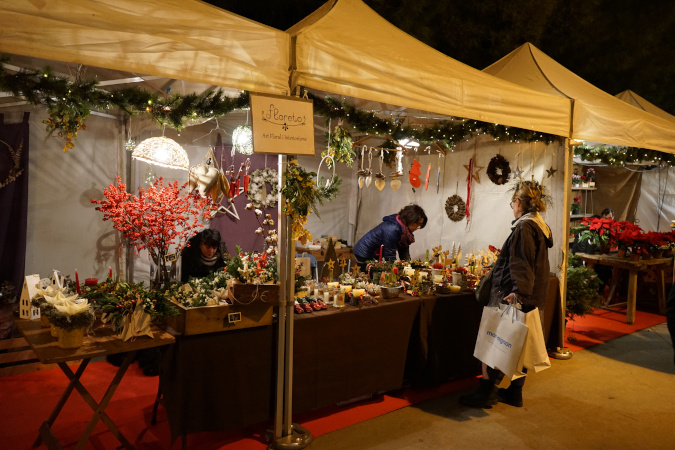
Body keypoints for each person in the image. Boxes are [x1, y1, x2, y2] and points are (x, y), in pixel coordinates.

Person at [460, 180, 553, 409]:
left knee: (494, 343)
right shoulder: (539, 225)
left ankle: (486, 394)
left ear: (519, 202)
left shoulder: (524, 227)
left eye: (512, 202)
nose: (512, 206)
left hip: (512, 295)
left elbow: (521, 264)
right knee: (517, 344)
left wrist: (517, 293)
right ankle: (514, 393)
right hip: (531, 297)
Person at [353, 204, 427, 271]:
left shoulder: (404, 229)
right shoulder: (392, 228)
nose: (419, 227)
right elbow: (389, 254)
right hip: (364, 253)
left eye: (421, 224)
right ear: (410, 219)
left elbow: (404, 250)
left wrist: (408, 267)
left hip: (372, 254)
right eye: (418, 223)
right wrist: (396, 271)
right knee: (371, 276)